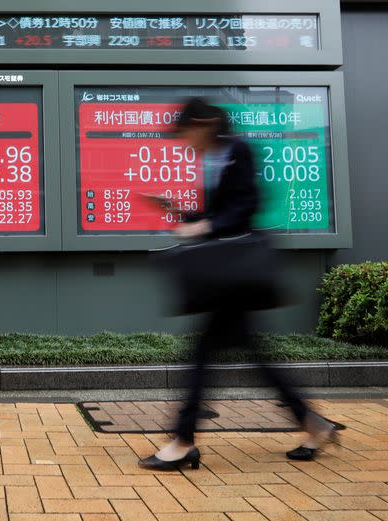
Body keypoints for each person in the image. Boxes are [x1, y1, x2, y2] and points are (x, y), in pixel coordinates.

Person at [138, 98, 337, 471]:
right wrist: (179, 211)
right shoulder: (212, 158)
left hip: (235, 274)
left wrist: (204, 226)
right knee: (254, 358)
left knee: (202, 356)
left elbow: (247, 204)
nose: (184, 143)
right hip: (228, 275)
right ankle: (313, 423)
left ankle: (183, 441)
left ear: (204, 123)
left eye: (186, 134)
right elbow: (218, 215)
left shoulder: (237, 150)